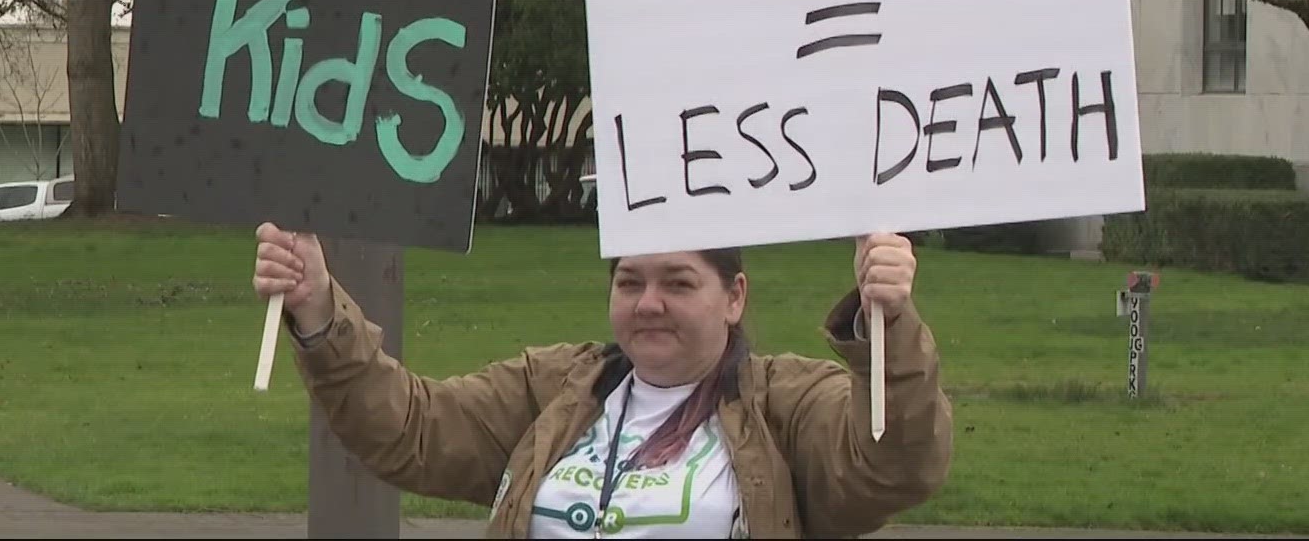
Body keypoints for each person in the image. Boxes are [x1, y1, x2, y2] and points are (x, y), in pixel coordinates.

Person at [253, 223, 953, 539]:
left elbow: (895, 466)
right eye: (630, 281)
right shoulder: (556, 388)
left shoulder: (788, 405)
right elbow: (409, 431)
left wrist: (884, 324)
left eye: (679, 283)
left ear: (734, 296)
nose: (649, 302)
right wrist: (319, 310)